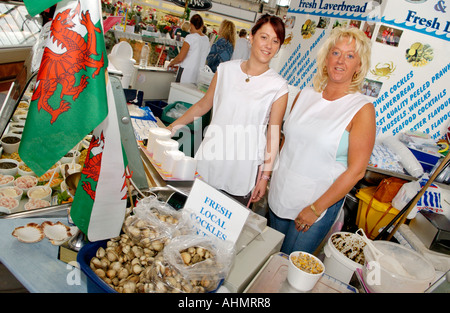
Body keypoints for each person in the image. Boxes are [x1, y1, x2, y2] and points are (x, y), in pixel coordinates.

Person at [268, 27, 376, 254]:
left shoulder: (361, 109)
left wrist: (315, 209)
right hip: (280, 194)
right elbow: (286, 142)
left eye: (350, 56)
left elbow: (356, 171)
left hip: (314, 206)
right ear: (326, 58)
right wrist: (268, 177)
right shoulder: (305, 95)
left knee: (288, 266)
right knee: (269, 255)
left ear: (358, 66)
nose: (340, 61)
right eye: (336, 52)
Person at [167, 14, 288, 206]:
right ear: (251, 37)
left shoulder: (279, 87)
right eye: (264, 37)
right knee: (190, 218)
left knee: (224, 230)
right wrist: (171, 128)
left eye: (275, 41)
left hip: (242, 170)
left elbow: (273, 135)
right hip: (210, 159)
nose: (268, 45)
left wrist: (265, 177)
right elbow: (203, 104)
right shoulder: (225, 70)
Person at [168, 14, 210, 84]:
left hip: (185, 73)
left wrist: (171, 63)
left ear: (191, 24)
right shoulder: (206, 39)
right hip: (198, 75)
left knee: (177, 93)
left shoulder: (190, 37)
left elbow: (180, 58)